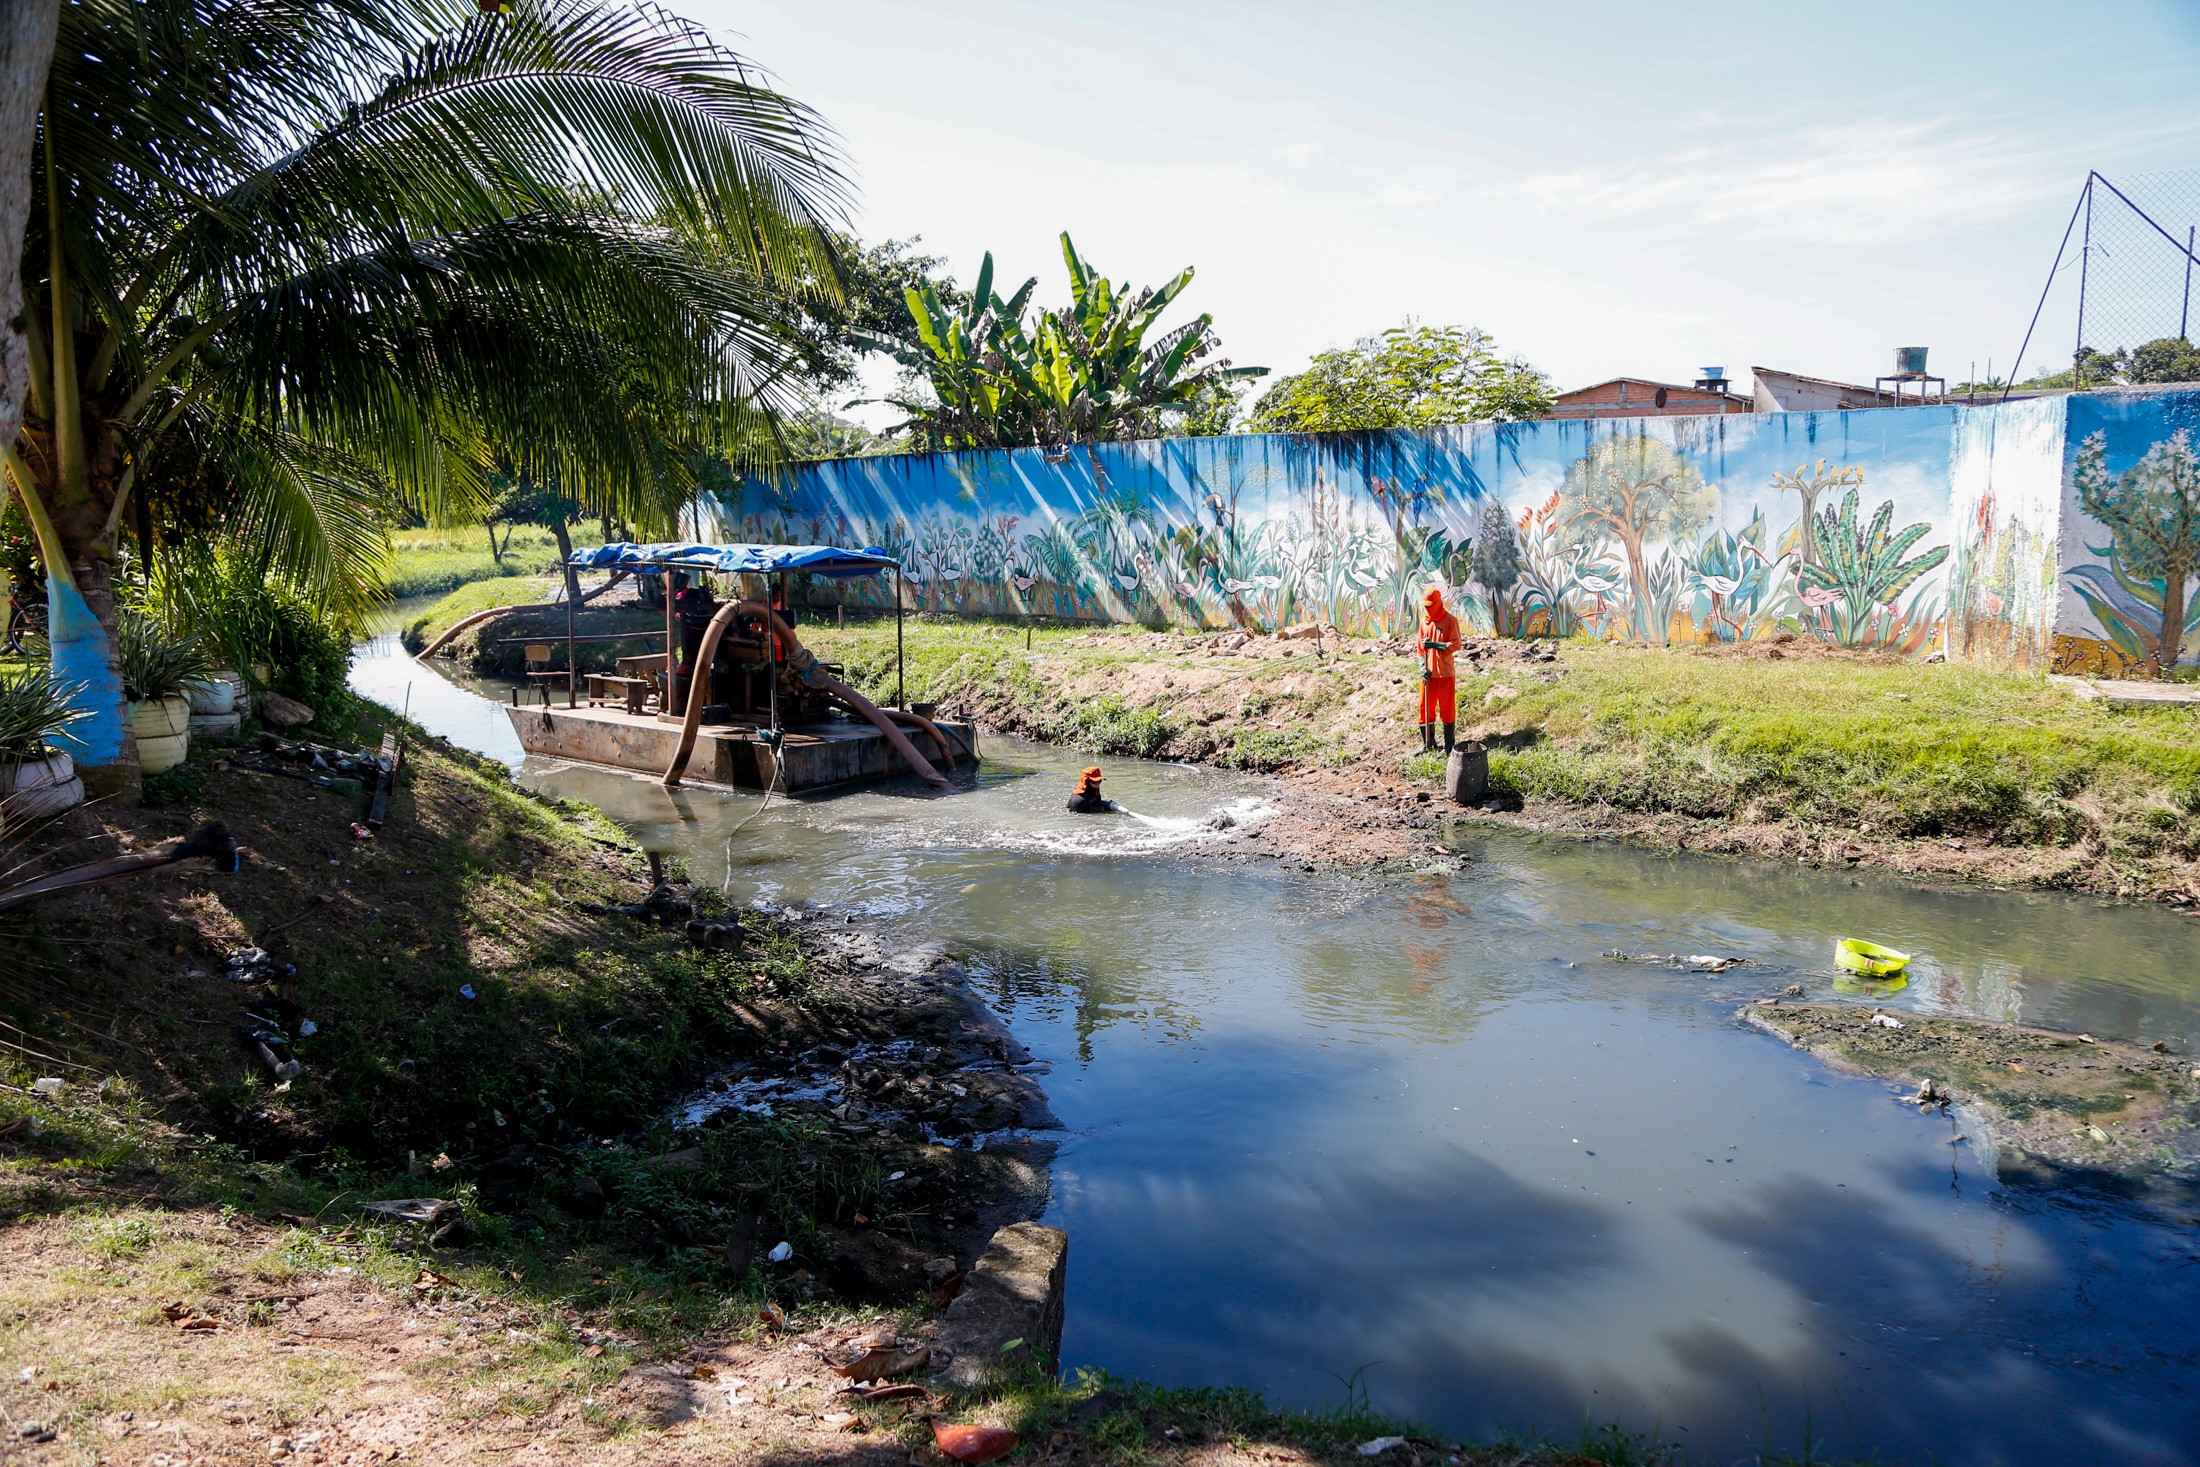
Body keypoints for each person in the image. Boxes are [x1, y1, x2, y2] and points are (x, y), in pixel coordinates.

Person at [1416, 585, 1462, 754]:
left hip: (1445, 674)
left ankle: (1449, 746)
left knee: (1447, 710)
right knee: (1424, 709)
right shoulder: (1424, 622)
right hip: (1428, 676)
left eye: (1430, 605)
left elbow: (1456, 644)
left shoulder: (1450, 621)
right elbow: (1420, 650)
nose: (1427, 608)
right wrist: (1422, 668)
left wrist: (1435, 645)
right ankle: (1428, 744)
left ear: (1439, 603)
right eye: (1425, 605)